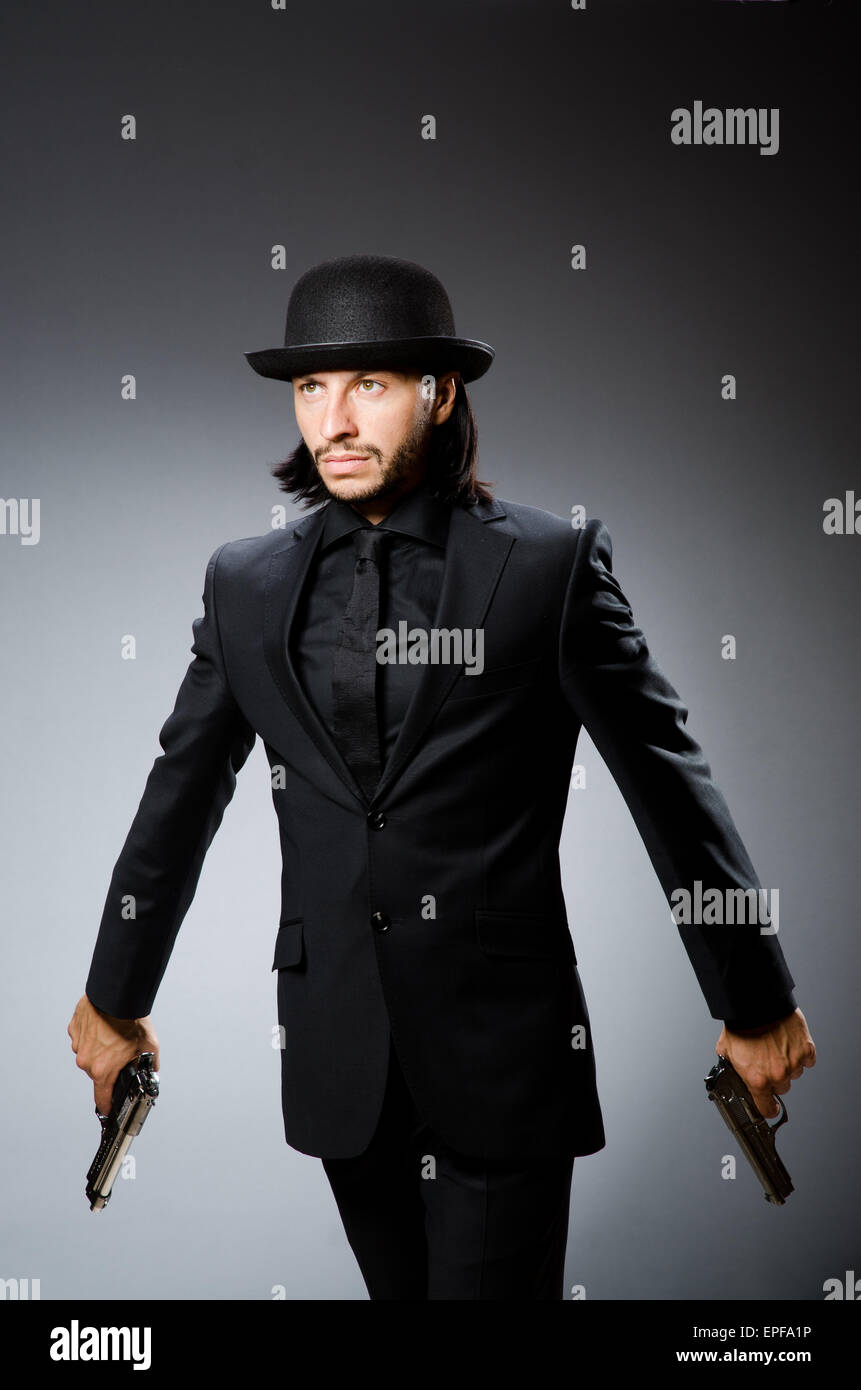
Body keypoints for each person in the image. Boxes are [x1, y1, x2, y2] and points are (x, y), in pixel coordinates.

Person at [68, 254, 816, 1300]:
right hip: (338, 1054)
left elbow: (668, 780)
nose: (333, 418)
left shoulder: (549, 568)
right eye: (312, 388)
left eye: (369, 384)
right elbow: (181, 791)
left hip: (504, 1052)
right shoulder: (245, 584)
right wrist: (115, 993)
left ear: (441, 391)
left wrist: (753, 998)